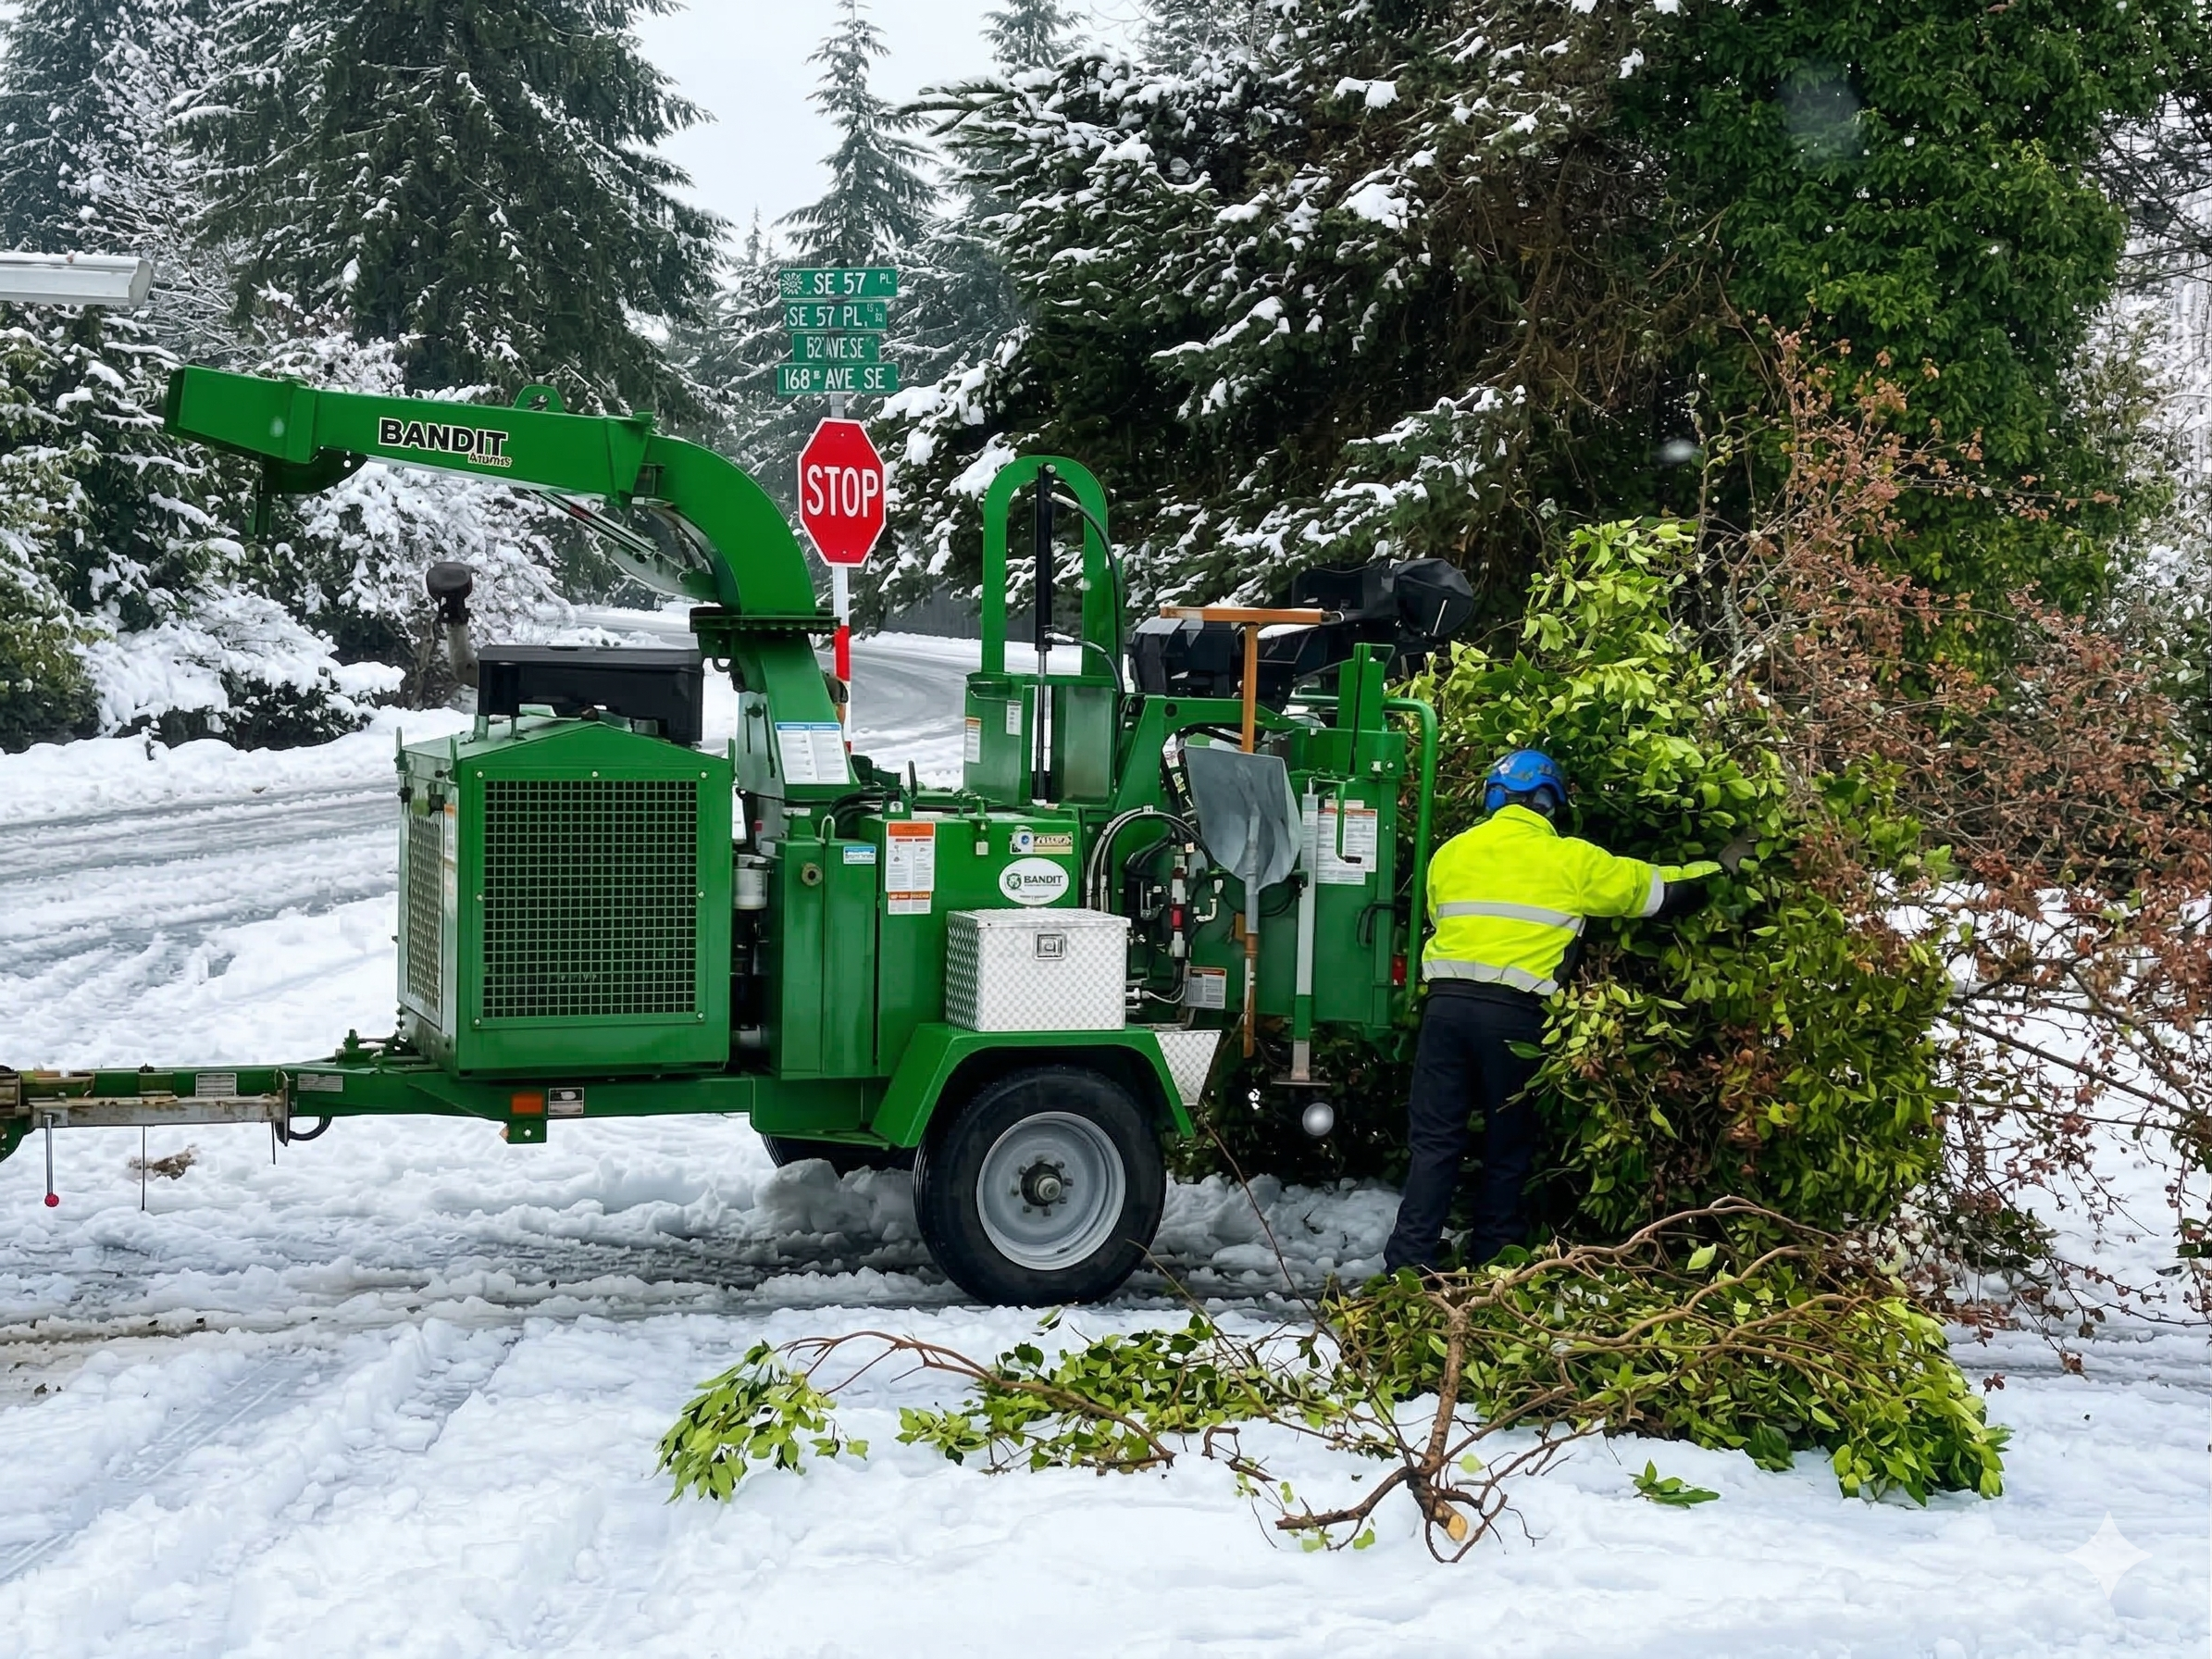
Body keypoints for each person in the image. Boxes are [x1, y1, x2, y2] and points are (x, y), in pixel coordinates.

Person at [1381, 749, 1747, 1273]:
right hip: (1515, 1019)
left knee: (1435, 1144)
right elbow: (1659, 893)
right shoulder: (1573, 861)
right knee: (1508, 1150)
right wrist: (1720, 867)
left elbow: (1439, 917)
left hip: (1445, 1012)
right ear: (1549, 803)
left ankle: (1407, 1270)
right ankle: (1492, 1273)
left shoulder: (1451, 854)